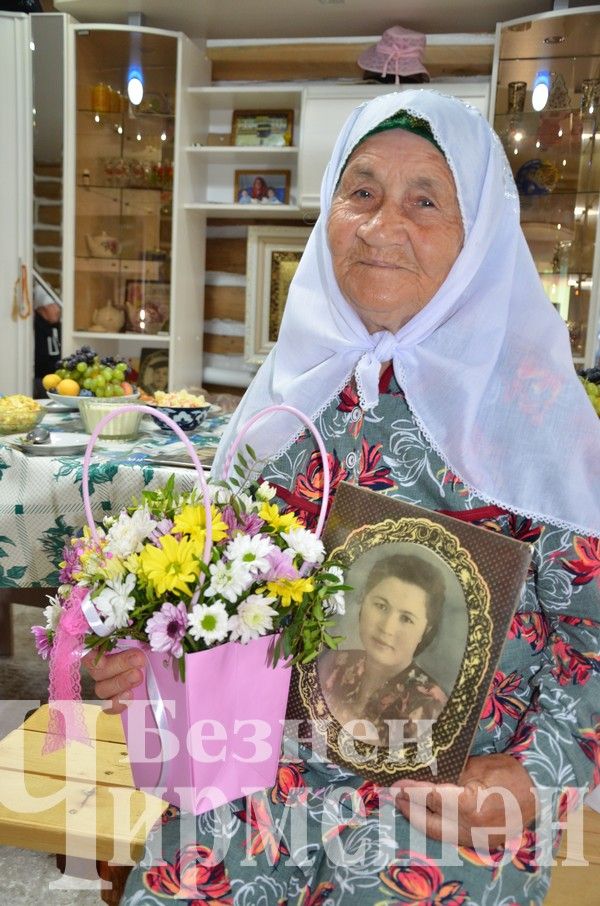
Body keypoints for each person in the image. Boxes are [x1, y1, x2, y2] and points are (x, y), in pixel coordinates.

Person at [85, 90, 600, 905]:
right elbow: (219, 597)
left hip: (442, 808)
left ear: (482, 235)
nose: (381, 224)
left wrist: (540, 777)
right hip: (251, 780)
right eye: (360, 191)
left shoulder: (539, 417)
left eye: (425, 199)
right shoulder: (289, 388)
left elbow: (592, 630)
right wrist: (148, 659)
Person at [318, 553, 447, 744]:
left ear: (425, 631)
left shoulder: (431, 705)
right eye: (381, 606)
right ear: (363, 602)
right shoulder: (335, 662)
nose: (387, 628)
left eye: (406, 618)